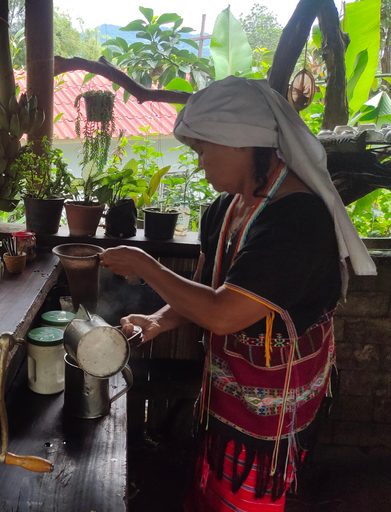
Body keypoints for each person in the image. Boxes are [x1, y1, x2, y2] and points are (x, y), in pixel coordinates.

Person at [99, 76, 376, 512]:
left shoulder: (297, 221)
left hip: (273, 407)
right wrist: (160, 320)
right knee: (210, 490)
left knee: (245, 500)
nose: (201, 164)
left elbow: (223, 314)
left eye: (202, 150)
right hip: (228, 392)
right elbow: (209, 292)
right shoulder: (225, 209)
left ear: (240, 143)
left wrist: (146, 266)